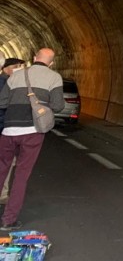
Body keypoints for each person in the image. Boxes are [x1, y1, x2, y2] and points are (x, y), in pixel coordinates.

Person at [0, 49, 63, 229]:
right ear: (51, 63)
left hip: (9, 130)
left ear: (34, 59)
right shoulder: (54, 77)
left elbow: (2, 102)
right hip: (32, 131)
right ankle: (8, 220)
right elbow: (58, 106)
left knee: (1, 170)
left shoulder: (16, 76)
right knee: (21, 175)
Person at [0, 59, 24, 204]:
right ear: (6, 68)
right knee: (6, 162)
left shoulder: (9, 82)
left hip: (6, 129)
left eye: (20, 67)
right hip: (4, 129)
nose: (18, 69)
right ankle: (2, 195)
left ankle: (3, 194)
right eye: (16, 67)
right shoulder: (5, 83)